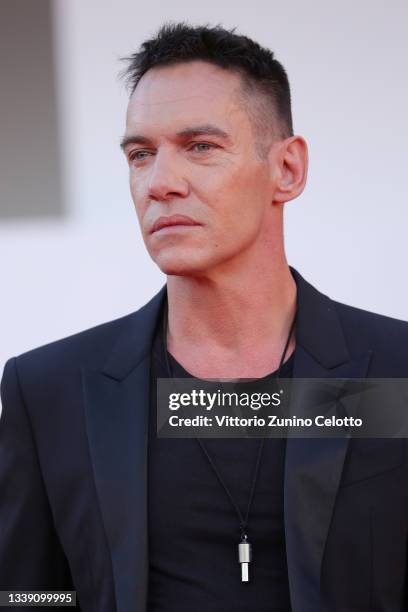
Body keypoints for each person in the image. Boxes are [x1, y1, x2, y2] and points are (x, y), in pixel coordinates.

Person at [1, 22, 408, 612]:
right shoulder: (51, 391)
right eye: (141, 154)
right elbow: (29, 595)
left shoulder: (395, 372)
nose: (161, 183)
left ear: (287, 170)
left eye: (201, 147)